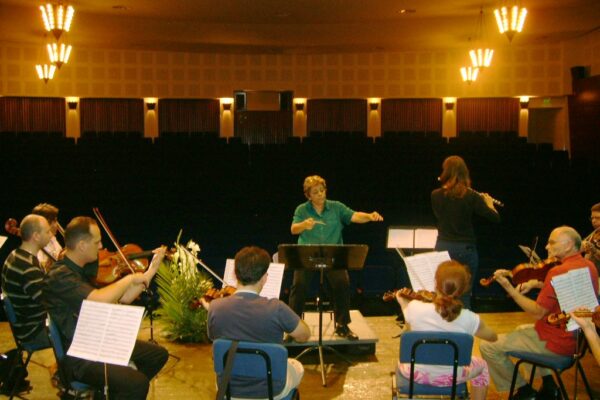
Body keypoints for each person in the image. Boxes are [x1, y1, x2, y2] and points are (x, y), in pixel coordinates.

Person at [43, 216, 168, 400]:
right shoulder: (60, 276)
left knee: (157, 355)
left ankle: (113, 392)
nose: (101, 247)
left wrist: (150, 271)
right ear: (83, 245)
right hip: (80, 356)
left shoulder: (84, 270)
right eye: (97, 242)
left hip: (98, 341)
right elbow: (98, 300)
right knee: (138, 384)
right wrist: (128, 279)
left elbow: (123, 298)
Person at [480, 226, 599, 399]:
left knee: (488, 347)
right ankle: (550, 386)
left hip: (557, 345)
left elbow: (537, 312)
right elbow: (563, 287)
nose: (546, 247)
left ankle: (523, 391)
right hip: (576, 342)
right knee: (522, 329)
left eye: (552, 242)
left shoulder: (558, 270)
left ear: (568, 245)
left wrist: (510, 290)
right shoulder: (589, 266)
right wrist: (536, 283)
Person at [205, 246, 311, 400]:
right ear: (265, 278)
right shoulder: (277, 308)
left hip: (228, 386)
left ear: (235, 274)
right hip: (271, 389)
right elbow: (304, 335)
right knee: (297, 367)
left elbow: (215, 342)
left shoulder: (215, 307)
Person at [288, 175, 383, 340]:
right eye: (315, 192)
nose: (320, 195)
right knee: (299, 285)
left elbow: (354, 216)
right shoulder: (301, 210)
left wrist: (369, 216)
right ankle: (293, 327)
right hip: (308, 255)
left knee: (342, 282)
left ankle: (342, 325)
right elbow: (293, 229)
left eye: (322, 190)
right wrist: (304, 225)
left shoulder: (336, 207)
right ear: (308, 195)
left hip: (333, 256)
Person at [395, 260, 497, 400]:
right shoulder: (470, 318)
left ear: (436, 284)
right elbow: (493, 337)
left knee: (403, 356)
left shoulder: (414, 308)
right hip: (453, 376)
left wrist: (402, 302)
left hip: (415, 373)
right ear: (464, 289)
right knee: (482, 366)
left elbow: (409, 326)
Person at [431, 155, 500, 308]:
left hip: (443, 247)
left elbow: (440, 215)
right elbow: (495, 218)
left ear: (445, 172)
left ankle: (441, 327)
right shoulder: (472, 196)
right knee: (464, 293)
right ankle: (463, 329)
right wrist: (489, 203)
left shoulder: (435, 195)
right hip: (465, 249)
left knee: (441, 292)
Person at [1, 214, 53, 347]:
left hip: (25, 325)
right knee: (78, 331)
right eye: (47, 231)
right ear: (36, 236)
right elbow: (51, 303)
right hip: (34, 332)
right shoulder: (28, 268)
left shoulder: (14, 255)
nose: (51, 234)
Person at [31, 203, 63, 270]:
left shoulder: (52, 238)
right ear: (47, 222)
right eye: (55, 221)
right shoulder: (39, 249)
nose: (57, 225)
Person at [581, 202, 600, 272]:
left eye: (598, 218)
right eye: (592, 218)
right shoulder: (594, 234)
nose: (594, 221)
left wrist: (594, 251)